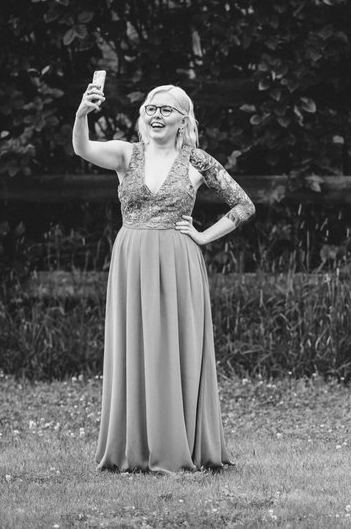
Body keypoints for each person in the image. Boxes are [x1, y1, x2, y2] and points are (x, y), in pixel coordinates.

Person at [73, 80, 255, 472]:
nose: (156, 114)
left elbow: (243, 204)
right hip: (132, 258)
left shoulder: (198, 161)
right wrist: (82, 115)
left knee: (175, 348)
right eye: (151, 108)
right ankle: (133, 448)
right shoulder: (126, 154)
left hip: (178, 260)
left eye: (166, 109)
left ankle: (178, 444)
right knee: (134, 345)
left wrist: (205, 236)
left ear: (182, 119)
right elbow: (83, 148)